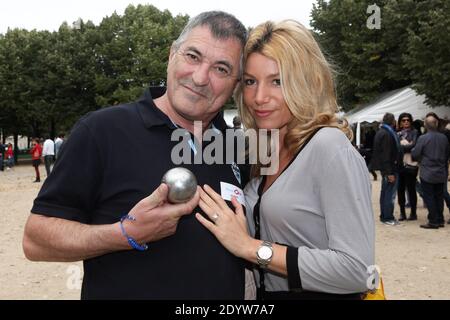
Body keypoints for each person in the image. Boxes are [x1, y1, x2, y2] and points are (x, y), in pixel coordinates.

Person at [23, 11, 248, 299]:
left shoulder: (237, 148)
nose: (201, 77)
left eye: (221, 69)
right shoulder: (101, 131)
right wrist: (125, 234)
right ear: (172, 55)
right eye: (193, 56)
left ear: (236, 85)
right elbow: (35, 240)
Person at [195, 20, 375, 299]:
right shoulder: (259, 150)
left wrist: (249, 247)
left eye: (277, 81)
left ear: (307, 82)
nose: (259, 97)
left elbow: (357, 271)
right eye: (250, 82)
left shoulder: (328, 146)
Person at [412, 115, 450, 229]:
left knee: (429, 196)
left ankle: (433, 220)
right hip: (441, 170)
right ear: (437, 124)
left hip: (427, 171)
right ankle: (440, 219)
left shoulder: (423, 138)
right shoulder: (444, 138)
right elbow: (447, 153)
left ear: (425, 125)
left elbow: (415, 154)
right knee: (439, 196)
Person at [370, 113, 402, 226]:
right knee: (389, 194)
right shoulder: (387, 134)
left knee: (385, 193)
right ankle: (387, 216)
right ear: (393, 121)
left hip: (386, 168)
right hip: (390, 168)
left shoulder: (381, 132)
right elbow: (386, 154)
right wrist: (389, 172)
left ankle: (385, 215)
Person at [396, 113, 419, 221]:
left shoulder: (415, 132)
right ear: (400, 122)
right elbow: (396, 147)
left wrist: (403, 146)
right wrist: (406, 145)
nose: (406, 122)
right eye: (403, 120)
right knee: (400, 189)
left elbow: (414, 146)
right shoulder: (397, 133)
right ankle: (402, 213)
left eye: (408, 120)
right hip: (400, 165)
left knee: (411, 189)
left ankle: (413, 213)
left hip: (411, 164)